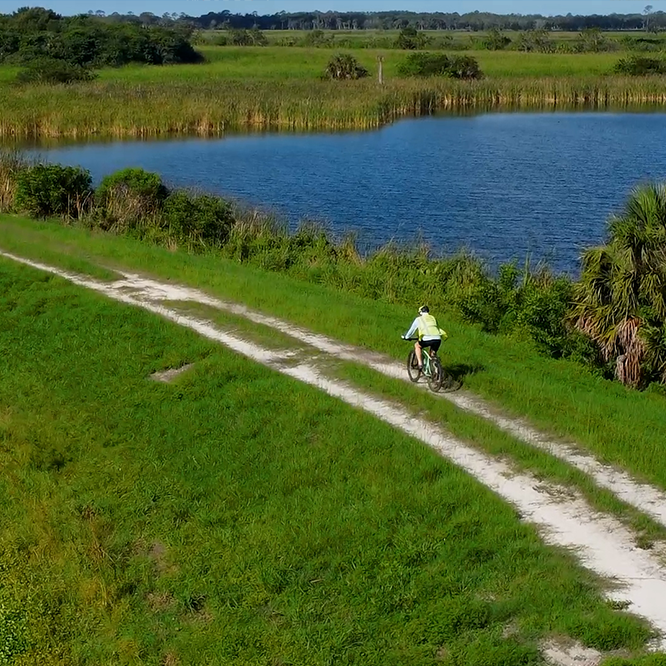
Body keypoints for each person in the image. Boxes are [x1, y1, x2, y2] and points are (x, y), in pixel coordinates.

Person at [402, 305, 447, 371]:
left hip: (426, 338)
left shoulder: (418, 319)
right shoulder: (433, 318)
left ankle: (420, 364)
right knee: (432, 354)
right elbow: (436, 328)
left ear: (420, 312)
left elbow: (412, 330)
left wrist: (406, 337)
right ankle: (437, 371)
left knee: (417, 346)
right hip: (437, 338)